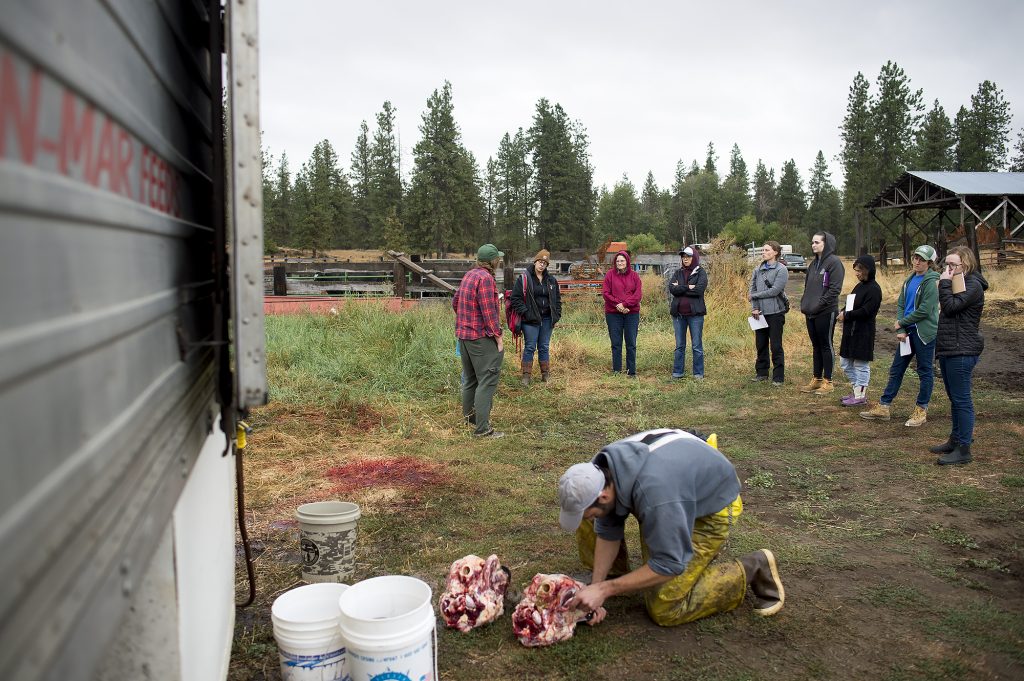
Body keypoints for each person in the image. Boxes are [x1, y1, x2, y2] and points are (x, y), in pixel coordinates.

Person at [558, 428, 785, 627]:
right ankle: (613, 582)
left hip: (711, 509)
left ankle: (754, 568)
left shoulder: (656, 496)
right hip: (676, 484)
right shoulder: (599, 472)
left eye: (590, 512)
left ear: (604, 495)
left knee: (665, 607)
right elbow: (607, 526)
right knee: (591, 526)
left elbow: (668, 564)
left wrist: (604, 590)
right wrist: (598, 586)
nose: (588, 518)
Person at [861, 245, 940, 427]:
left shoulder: (931, 281)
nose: (917, 261)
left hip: (923, 333)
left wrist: (903, 322)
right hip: (907, 332)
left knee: (925, 371)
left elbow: (925, 310)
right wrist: (901, 329)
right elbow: (901, 306)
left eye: (921, 259)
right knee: (897, 369)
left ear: (929, 262)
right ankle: (884, 407)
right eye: (915, 257)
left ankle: (921, 410)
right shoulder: (909, 280)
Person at [932, 246, 987, 465]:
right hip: (949, 348)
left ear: (966, 264)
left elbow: (952, 307)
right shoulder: (957, 282)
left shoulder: (973, 285)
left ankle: (964, 449)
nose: (948, 268)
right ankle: (955, 440)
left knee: (962, 399)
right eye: (946, 264)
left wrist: (944, 284)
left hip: (962, 349)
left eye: (953, 265)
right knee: (954, 398)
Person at [452, 243, 505, 438]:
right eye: (498, 259)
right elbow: (489, 312)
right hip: (480, 338)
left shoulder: (469, 275)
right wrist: (498, 336)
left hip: (464, 337)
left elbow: (455, 302)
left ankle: (471, 418)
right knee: (487, 380)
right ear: (493, 261)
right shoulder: (486, 279)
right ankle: (482, 429)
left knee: (470, 379)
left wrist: (466, 320)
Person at [799, 232, 845, 394]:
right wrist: (805, 303)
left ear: (826, 244)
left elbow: (834, 290)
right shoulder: (813, 264)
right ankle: (816, 379)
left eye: (817, 242)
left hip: (826, 311)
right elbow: (807, 287)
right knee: (816, 345)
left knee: (826, 344)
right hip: (810, 312)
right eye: (812, 242)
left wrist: (819, 305)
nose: (813, 245)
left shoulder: (834, 263)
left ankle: (828, 381)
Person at [510, 249, 563, 386]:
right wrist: (526, 313)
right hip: (530, 320)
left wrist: (556, 315)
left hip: (547, 319)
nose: (542, 265)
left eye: (545, 263)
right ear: (535, 262)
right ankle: (526, 376)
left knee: (544, 347)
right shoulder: (524, 278)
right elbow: (516, 299)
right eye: (540, 262)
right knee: (530, 347)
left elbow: (557, 300)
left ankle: (545, 374)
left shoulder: (551, 280)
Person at [837, 255, 882, 406]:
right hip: (850, 331)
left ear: (868, 270)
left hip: (863, 332)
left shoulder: (874, 289)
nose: (857, 273)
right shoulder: (859, 286)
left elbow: (866, 312)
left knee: (861, 365)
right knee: (845, 362)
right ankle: (857, 391)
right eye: (855, 270)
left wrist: (847, 315)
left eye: (859, 270)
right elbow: (851, 304)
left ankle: (860, 395)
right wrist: (842, 312)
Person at [748, 241, 789, 385]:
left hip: (776, 313)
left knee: (776, 346)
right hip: (759, 313)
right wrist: (754, 307)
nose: (763, 252)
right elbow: (752, 289)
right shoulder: (757, 269)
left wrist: (756, 296)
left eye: (767, 250)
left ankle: (778, 376)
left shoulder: (781, 269)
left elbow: (775, 291)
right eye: (763, 250)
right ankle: (762, 373)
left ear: (775, 252)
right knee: (760, 344)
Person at [668, 246, 708, 380]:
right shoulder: (678, 272)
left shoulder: (700, 272)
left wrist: (680, 287)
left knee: (696, 345)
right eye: (683, 257)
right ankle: (678, 372)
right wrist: (687, 287)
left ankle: (698, 373)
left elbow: (699, 290)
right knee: (680, 345)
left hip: (695, 315)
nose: (685, 259)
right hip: (679, 315)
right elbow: (672, 289)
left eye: (688, 257)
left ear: (694, 257)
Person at [602, 250, 643, 377]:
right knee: (616, 343)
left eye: (622, 261)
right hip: (613, 314)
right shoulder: (610, 275)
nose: (620, 263)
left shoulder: (634, 276)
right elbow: (606, 293)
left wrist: (625, 305)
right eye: (618, 261)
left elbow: (638, 295)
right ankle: (617, 370)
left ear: (627, 262)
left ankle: (631, 372)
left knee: (631, 343)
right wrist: (618, 305)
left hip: (631, 313)